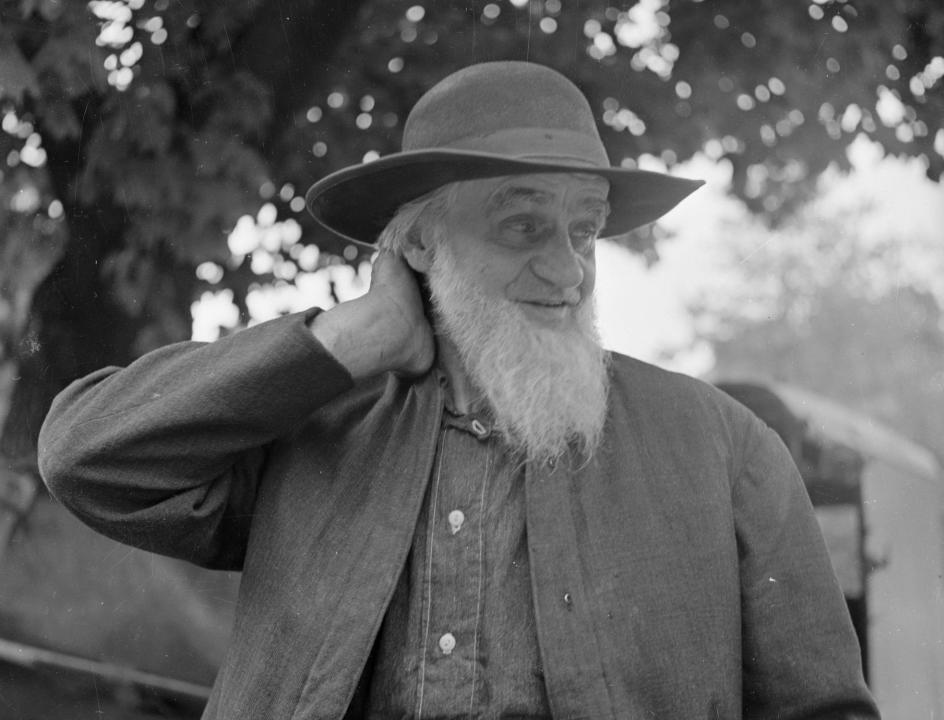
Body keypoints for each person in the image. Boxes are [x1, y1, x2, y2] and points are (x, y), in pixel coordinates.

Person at [38, 61, 879, 719]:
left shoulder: (721, 445)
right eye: (522, 225)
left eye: (582, 229)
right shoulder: (312, 433)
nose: (568, 268)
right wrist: (353, 336)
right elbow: (88, 460)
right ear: (421, 247)